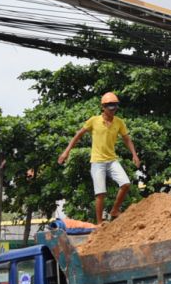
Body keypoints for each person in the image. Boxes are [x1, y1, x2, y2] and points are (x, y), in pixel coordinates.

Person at [58, 91, 142, 223]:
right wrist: (66, 152)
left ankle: (115, 210)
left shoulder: (119, 122)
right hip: (97, 162)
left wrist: (134, 154)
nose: (113, 109)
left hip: (112, 160)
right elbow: (78, 135)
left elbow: (127, 139)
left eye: (115, 106)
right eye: (110, 106)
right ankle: (99, 224)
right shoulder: (94, 121)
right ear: (103, 107)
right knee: (100, 193)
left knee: (125, 184)